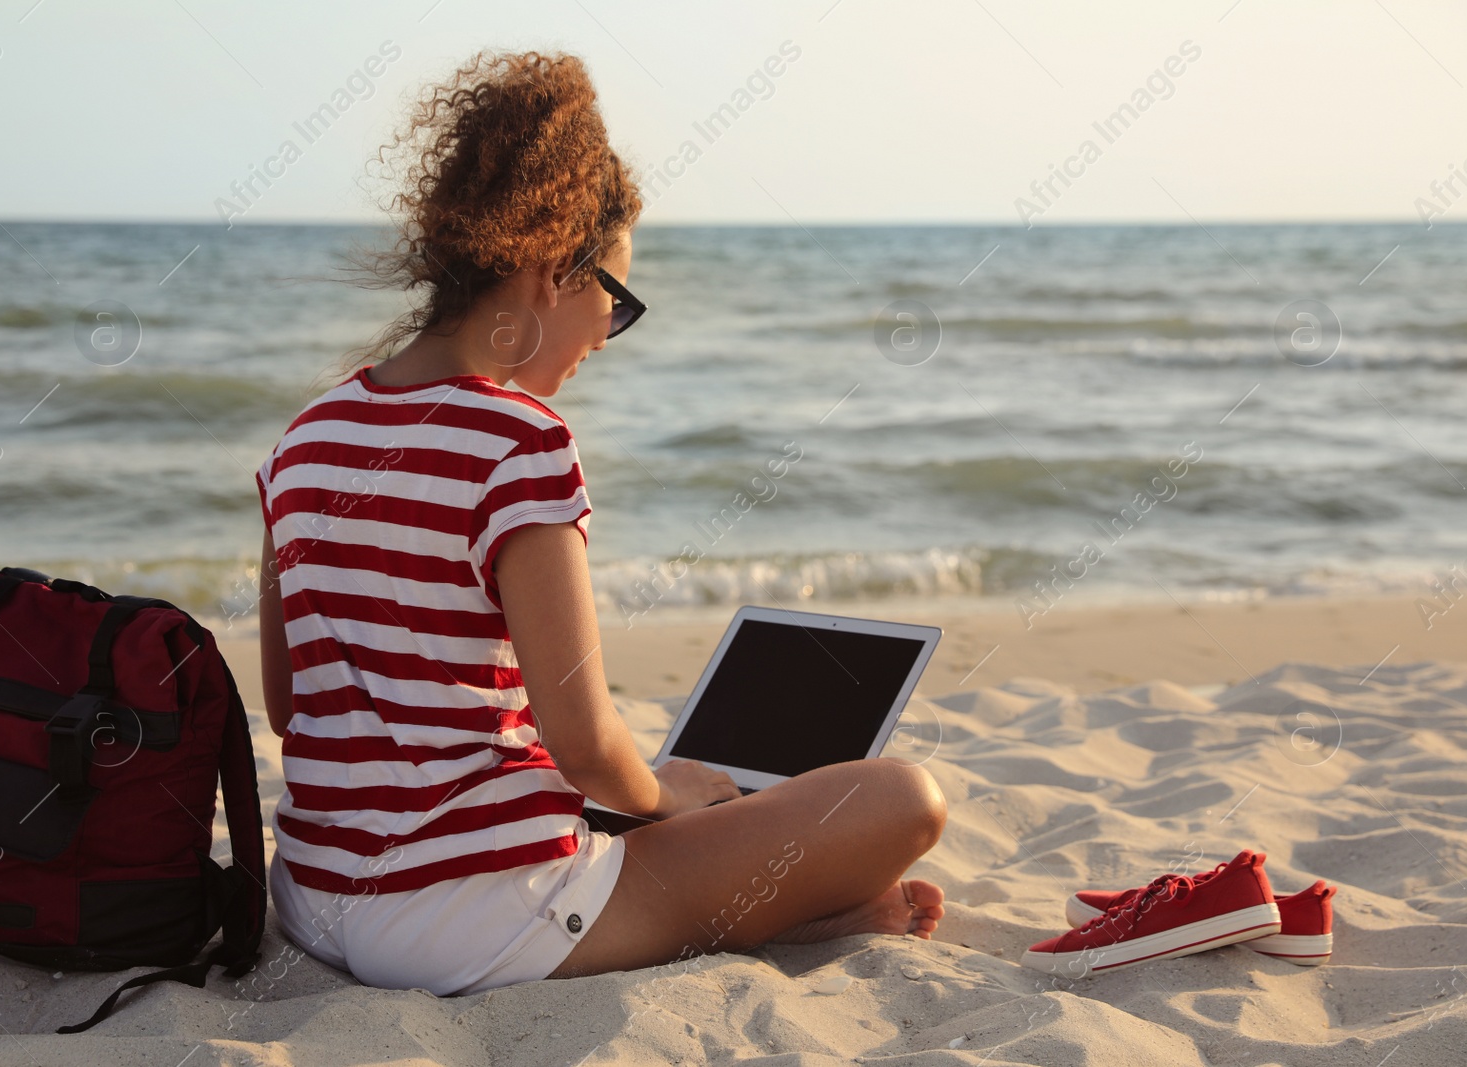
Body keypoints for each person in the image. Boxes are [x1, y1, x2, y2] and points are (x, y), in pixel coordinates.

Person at [253, 48, 947, 997]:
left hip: (313, 901)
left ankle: (794, 905)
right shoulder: (519, 440)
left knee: (663, 809)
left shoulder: (305, 434)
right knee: (904, 797)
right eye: (613, 302)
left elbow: (294, 709)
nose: (602, 340)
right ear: (550, 268)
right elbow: (584, 749)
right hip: (475, 916)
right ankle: (795, 909)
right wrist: (665, 798)